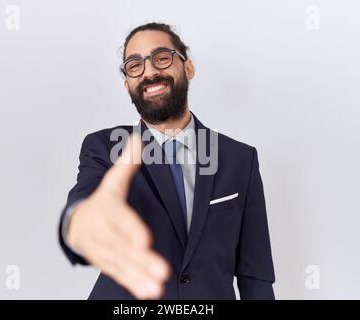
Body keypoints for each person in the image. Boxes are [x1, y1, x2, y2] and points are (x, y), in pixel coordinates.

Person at [58, 22, 275, 300]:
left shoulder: (240, 159)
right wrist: (80, 221)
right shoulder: (106, 148)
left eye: (161, 57)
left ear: (188, 67)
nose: (149, 71)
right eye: (135, 65)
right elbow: (84, 203)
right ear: (127, 85)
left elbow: (255, 275)